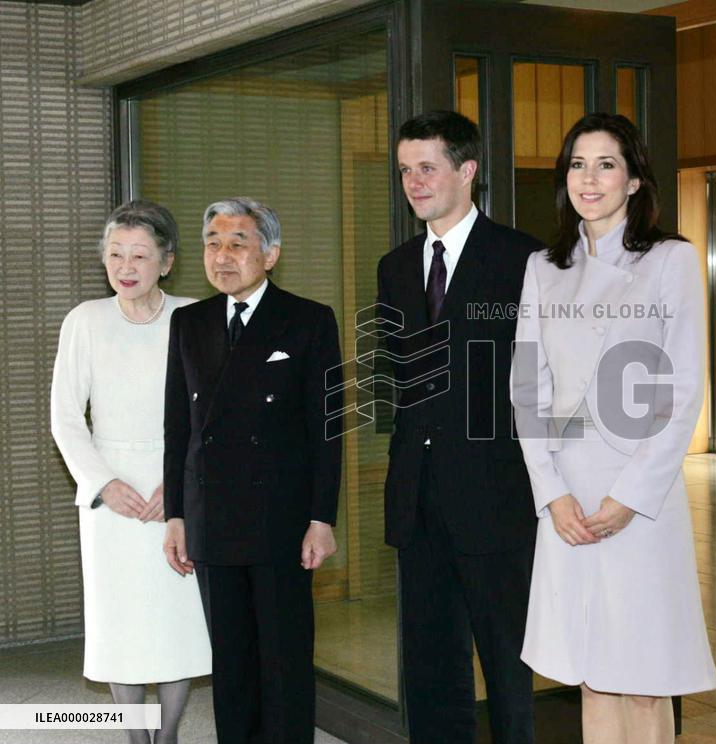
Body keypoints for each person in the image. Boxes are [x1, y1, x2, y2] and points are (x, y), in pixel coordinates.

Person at [511, 113, 716, 743]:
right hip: (568, 499)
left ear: (634, 181)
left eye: (606, 164)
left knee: (644, 676)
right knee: (591, 674)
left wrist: (630, 497)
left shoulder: (669, 259)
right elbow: (528, 388)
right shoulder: (544, 267)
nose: (590, 178)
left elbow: (683, 390)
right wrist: (551, 493)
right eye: (577, 164)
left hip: (639, 499)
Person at [377, 111, 543, 743]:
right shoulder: (395, 267)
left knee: (507, 667)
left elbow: (543, 381)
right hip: (418, 499)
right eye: (404, 171)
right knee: (430, 668)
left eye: (427, 167)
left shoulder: (523, 258)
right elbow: (404, 385)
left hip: (497, 497)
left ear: (467, 169)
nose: (414, 182)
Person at [162, 197, 343, 744]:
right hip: (211, 514)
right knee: (232, 664)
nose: (223, 256)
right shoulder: (189, 321)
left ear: (271, 254)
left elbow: (326, 427)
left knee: (284, 661)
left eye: (238, 243)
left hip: (280, 519)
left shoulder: (307, 319)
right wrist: (175, 515)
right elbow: (178, 427)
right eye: (213, 243)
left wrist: (321, 517)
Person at [51, 200, 211, 744]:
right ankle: (135, 738)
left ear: (166, 261)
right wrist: (101, 484)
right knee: (119, 626)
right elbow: (66, 418)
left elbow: (209, 415)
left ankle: (165, 736)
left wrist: (182, 485)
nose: (125, 266)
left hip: (177, 489)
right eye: (115, 254)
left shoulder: (195, 317)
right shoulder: (85, 321)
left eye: (139, 255)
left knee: (176, 624)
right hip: (109, 497)